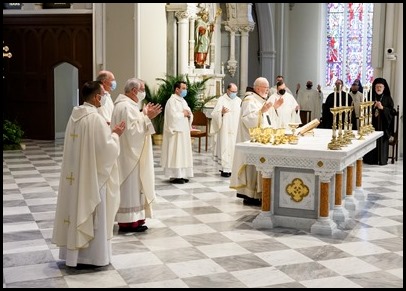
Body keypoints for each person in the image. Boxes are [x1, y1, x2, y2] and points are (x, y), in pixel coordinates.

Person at [52, 80, 126, 267]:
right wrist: (116, 134)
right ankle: (93, 257)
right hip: (92, 177)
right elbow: (107, 150)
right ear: (96, 97)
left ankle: (74, 256)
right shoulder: (96, 119)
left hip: (76, 176)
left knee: (75, 207)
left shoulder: (74, 116)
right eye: (102, 93)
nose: (104, 97)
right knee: (94, 212)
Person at [110, 77, 162, 232]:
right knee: (130, 188)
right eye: (142, 89)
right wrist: (147, 117)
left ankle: (136, 220)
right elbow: (132, 133)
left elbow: (134, 125)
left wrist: (143, 115)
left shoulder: (127, 105)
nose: (143, 93)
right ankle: (128, 223)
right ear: (133, 90)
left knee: (134, 188)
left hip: (130, 154)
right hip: (129, 155)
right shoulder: (125, 106)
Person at [230, 77, 274, 206]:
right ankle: (250, 196)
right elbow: (248, 119)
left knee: (257, 168)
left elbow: (265, 117)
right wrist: (262, 111)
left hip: (260, 140)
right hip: (250, 140)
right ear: (258, 88)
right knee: (251, 169)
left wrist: (268, 110)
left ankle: (257, 195)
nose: (267, 91)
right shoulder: (249, 100)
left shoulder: (258, 99)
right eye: (265, 88)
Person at [161, 80, 194, 184]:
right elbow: (172, 116)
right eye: (183, 88)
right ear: (177, 89)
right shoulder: (172, 101)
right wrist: (182, 114)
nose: (185, 90)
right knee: (176, 153)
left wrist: (189, 115)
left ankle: (182, 174)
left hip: (183, 131)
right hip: (175, 132)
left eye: (185, 88)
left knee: (183, 153)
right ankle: (175, 175)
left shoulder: (183, 100)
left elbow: (188, 112)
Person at [210, 82, 242, 177]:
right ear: (228, 90)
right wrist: (221, 113)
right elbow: (214, 115)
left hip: (235, 129)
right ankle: (225, 170)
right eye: (232, 91)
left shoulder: (239, 101)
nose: (234, 93)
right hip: (225, 130)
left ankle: (234, 169)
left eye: (236, 91)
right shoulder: (221, 100)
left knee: (234, 149)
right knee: (225, 148)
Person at [363, 77, 395, 166]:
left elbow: (392, 112)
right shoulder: (370, 97)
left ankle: (381, 160)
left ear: (384, 88)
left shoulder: (388, 98)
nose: (379, 88)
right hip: (371, 124)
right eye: (377, 86)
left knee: (382, 139)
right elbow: (364, 109)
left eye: (381, 86)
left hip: (383, 126)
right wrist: (373, 107)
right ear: (374, 87)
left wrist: (383, 108)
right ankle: (370, 159)